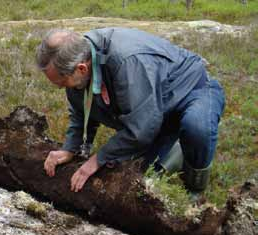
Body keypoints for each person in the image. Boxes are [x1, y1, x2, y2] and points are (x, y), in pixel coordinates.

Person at [36, 28, 225, 193]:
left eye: (62, 83)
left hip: (191, 90)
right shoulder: (80, 56)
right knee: (138, 179)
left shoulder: (126, 62)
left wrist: (97, 159)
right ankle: (173, 150)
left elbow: (140, 129)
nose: (60, 88)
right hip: (153, 109)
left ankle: (195, 187)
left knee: (197, 127)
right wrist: (70, 148)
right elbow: (81, 109)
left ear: (82, 68)